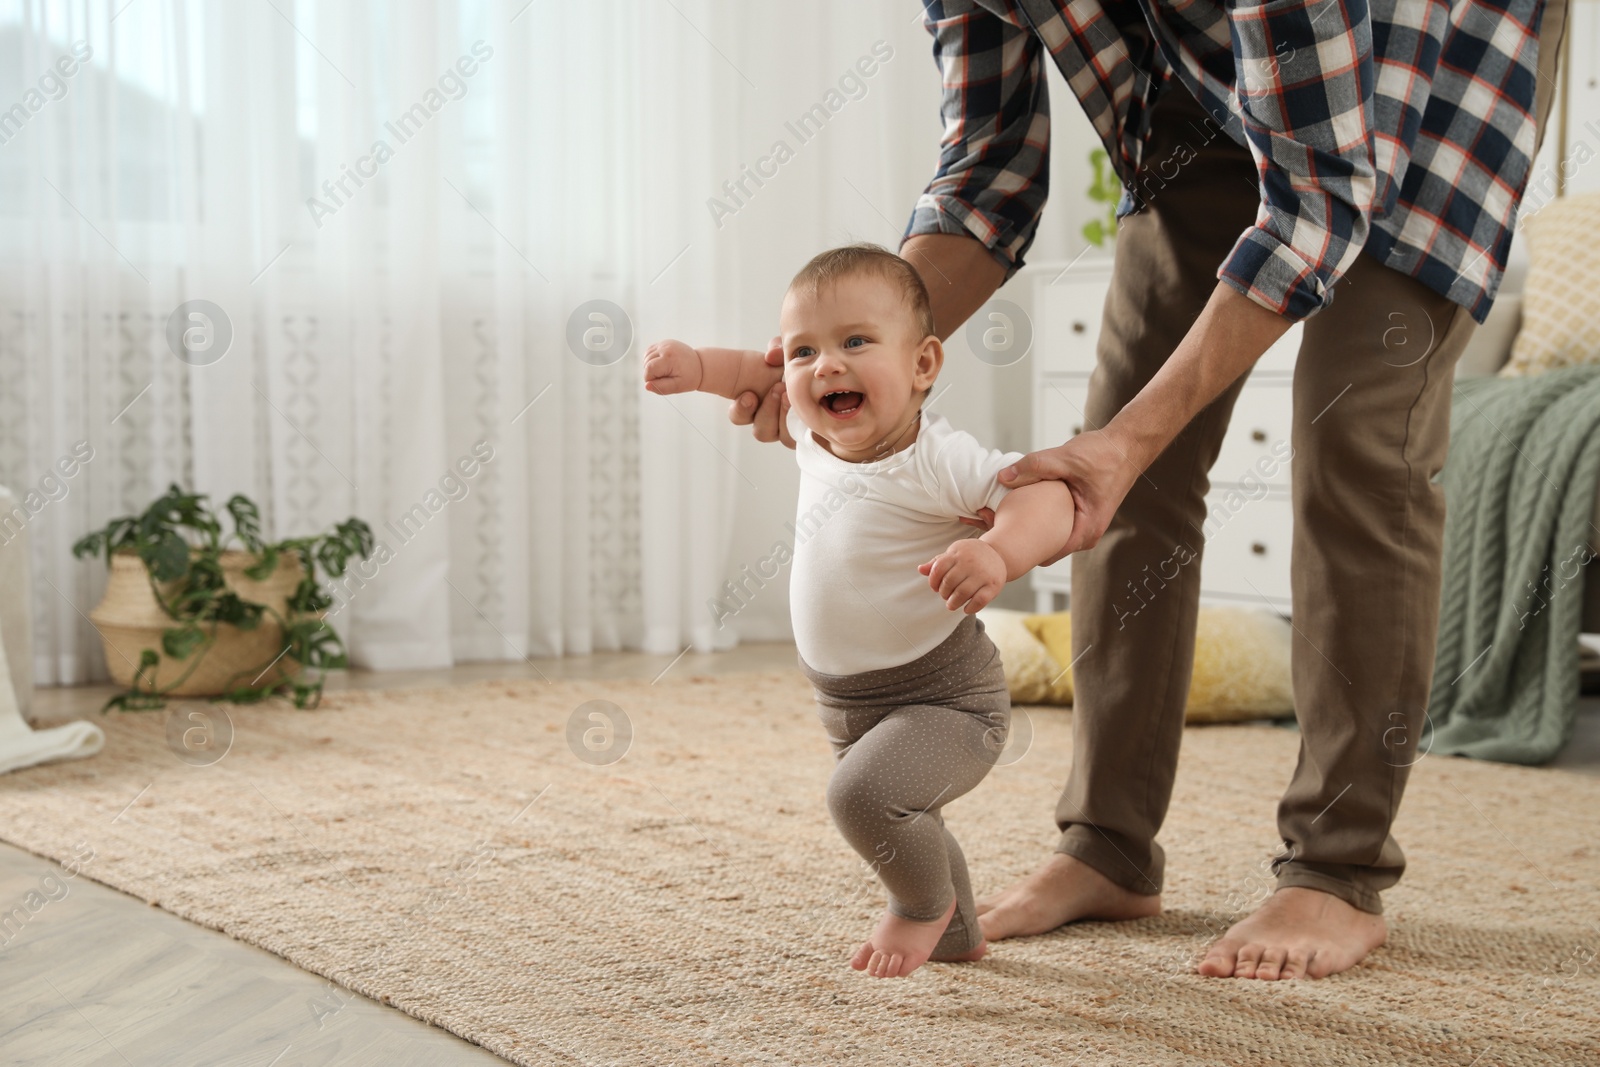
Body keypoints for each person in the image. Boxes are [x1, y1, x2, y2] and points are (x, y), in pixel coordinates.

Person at [725, 0, 1571, 980]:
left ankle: (1335, 871)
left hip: (1431, 67)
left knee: (1357, 442)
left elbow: (1319, 199)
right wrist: (843, 351)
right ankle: (1108, 844)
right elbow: (988, 171)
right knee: (1104, 475)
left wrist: (1127, 440)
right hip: (1202, 95)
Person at [644, 244, 1073, 977]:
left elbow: (1047, 495)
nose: (825, 366)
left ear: (923, 365)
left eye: (855, 342)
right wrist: (696, 367)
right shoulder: (813, 432)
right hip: (846, 700)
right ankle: (957, 930)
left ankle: (917, 908)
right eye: (805, 350)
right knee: (908, 814)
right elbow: (753, 371)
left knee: (864, 796)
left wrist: (1000, 550)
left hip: (950, 700)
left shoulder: (940, 459)